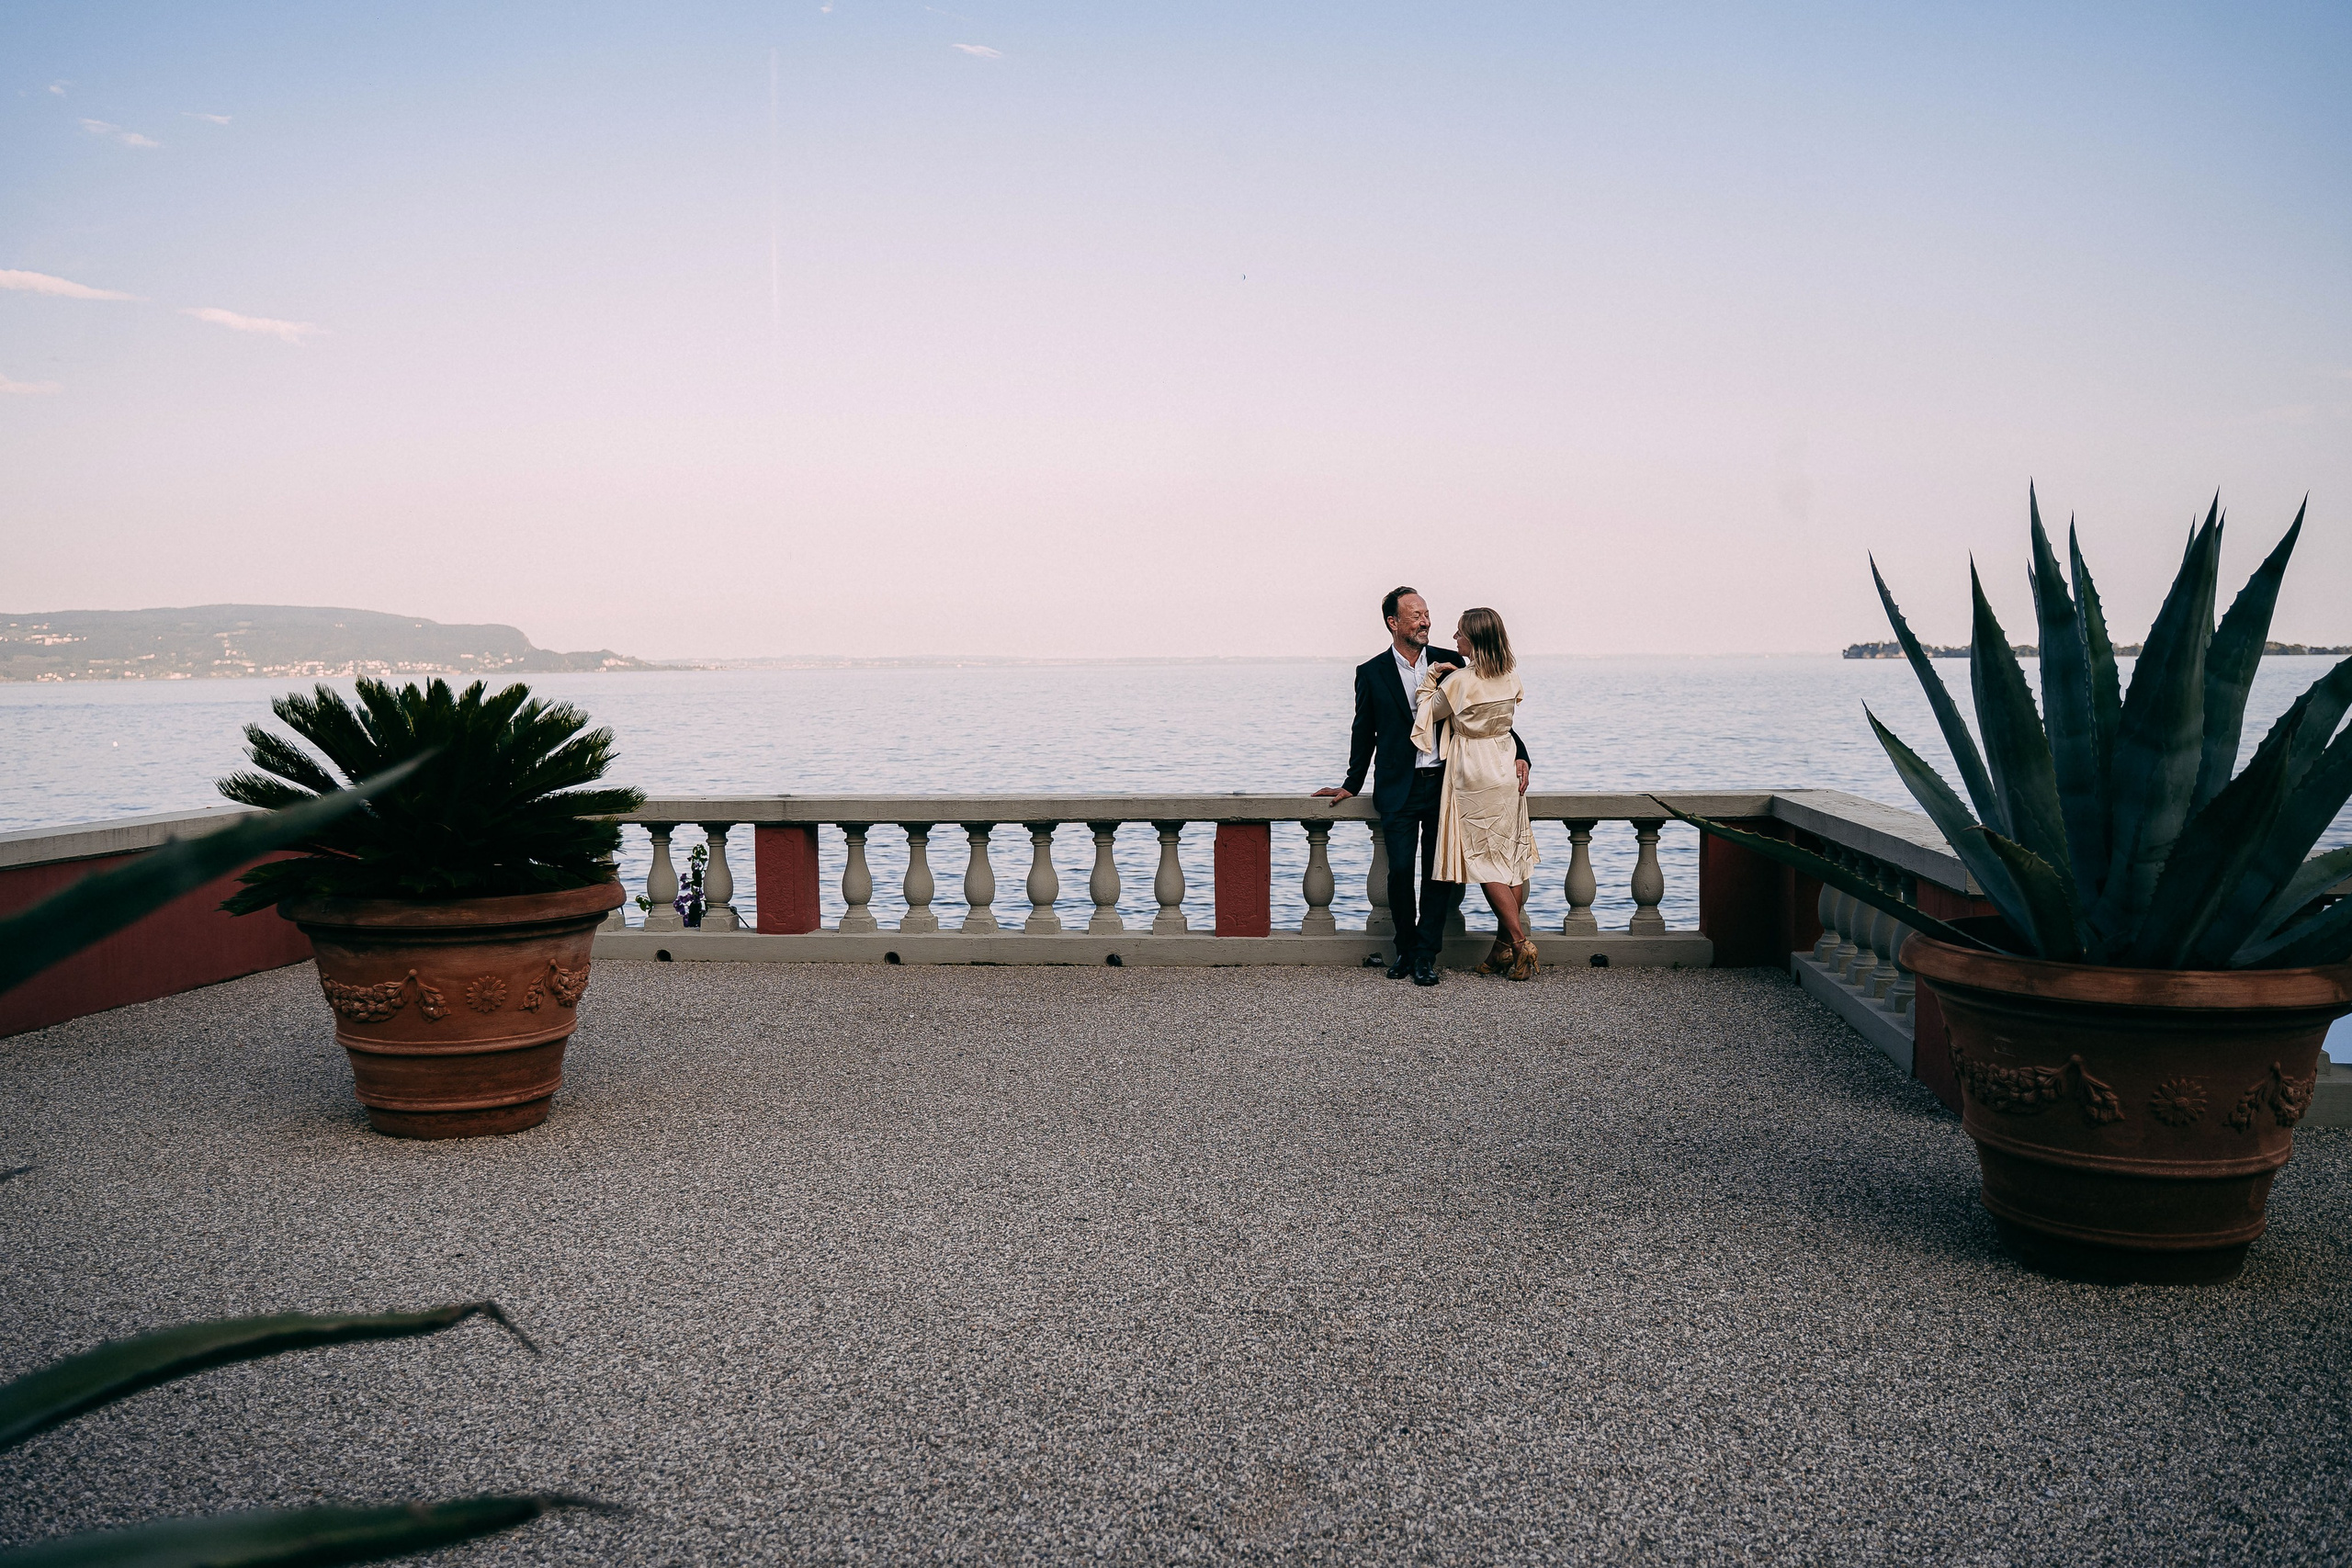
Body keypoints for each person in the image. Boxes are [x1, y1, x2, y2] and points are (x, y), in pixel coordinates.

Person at [1315, 587, 1529, 987]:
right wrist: (1350, 783)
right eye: (1416, 615)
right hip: (1397, 787)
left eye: (1427, 613)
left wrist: (1521, 753)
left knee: (1438, 875)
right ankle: (1405, 950)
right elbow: (1363, 733)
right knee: (1399, 872)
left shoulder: (1451, 661)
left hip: (1447, 784)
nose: (1426, 621)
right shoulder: (1371, 672)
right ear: (1394, 623)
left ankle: (1427, 956)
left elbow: (1492, 713)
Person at [1414, 607, 1540, 981]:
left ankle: (1519, 942)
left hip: (1472, 771)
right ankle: (1501, 951)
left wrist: (1433, 675)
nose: (1454, 639)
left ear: (1475, 639)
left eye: (1459, 634)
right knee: (1508, 857)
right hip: (1504, 766)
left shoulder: (1459, 683)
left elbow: (1425, 714)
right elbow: (1505, 726)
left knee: (1484, 861)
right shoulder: (1510, 678)